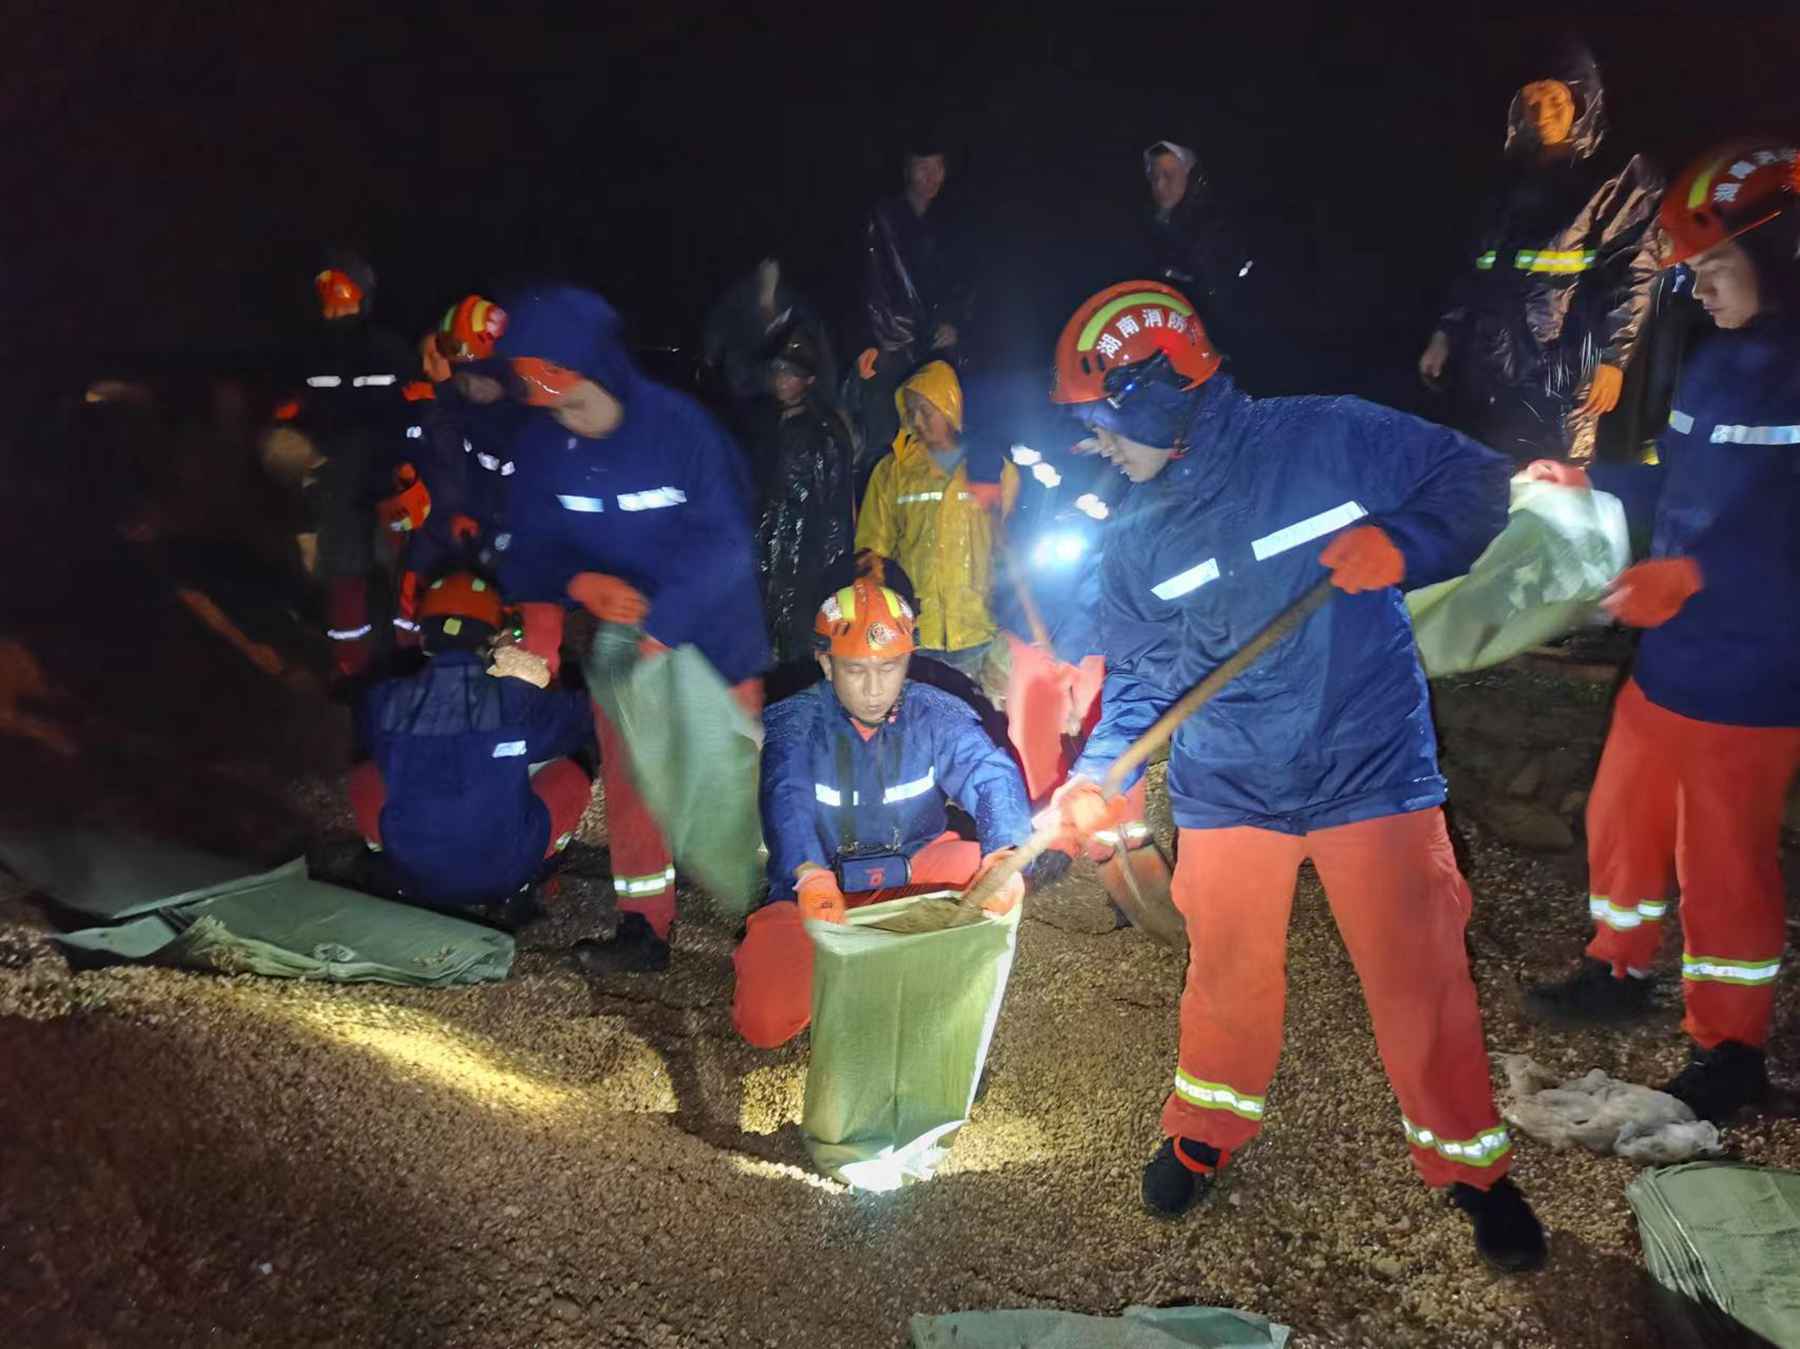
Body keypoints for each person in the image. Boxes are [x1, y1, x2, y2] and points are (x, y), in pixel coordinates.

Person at [1046, 279, 1543, 1271]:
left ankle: (1470, 1165)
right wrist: (1105, 769)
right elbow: (1146, 681)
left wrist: (1407, 540)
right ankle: (1207, 1126)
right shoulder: (1135, 540)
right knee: (1225, 972)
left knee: (1419, 973)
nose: (1096, 444)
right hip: (1233, 782)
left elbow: (1478, 481)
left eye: (1103, 420)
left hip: (1370, 765)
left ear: (1157, 394)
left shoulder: (1327, 439)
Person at [1522, 141, 1800, 1123]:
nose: (1701, 289)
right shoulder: (1719, 360)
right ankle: (1616, 963)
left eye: (1716, 270)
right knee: (1621, 818)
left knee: (1725, 862)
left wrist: (1696, 575)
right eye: (1693, 273)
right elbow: (1680, 482)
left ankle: (1730, 1047)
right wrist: (1593, 479)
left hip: (1757, 676)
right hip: (1673, 657)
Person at [490, 285, 770, 971]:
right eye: (553, 405)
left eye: (577, 401)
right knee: (634, 776)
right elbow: (529, 545)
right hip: (622, 643)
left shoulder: (682, 431)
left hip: (714, 635)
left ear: (606, 372)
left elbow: (728, 545)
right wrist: (572, 591)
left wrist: (662, 625)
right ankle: (644, 924)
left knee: (730, 777)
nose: (568, 419)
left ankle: (769, 914)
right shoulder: (543, 446)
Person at [732, 576, 1032, 1048]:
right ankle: (839, 984)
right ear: (826, 664)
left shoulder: (937, 714)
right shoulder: (796, 720)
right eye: (855, 671)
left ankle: (940, 1001)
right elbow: (784, 792)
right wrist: (807, 872)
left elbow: (990, 774)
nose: (874, 689)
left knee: (991, 875)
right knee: (764, 1021)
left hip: (912, 865)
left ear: (908, 660)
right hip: (819, 884)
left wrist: (1006, 851)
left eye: (889, 668)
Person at [1418, 41, 1662, 463]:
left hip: (1566, 366)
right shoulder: (1506, 176)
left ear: (1583, 102)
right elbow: (1478, 264)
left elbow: (1635, 268)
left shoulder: (1619, 174)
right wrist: (1444, 334)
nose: (1542, 112)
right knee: (1486, 475)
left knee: (1557, 481)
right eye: (1531, 100)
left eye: (1555, 98)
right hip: (1491, 361)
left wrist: (1613, 358)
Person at [350, 571, 594, 914]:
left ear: (424, 638)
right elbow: (581, 722)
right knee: (573, 772)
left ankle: (380, 853)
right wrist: (538, 680)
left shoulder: (385, 699)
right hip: (506, 871)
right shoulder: (513, 700)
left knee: (365, 776)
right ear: (492, 639)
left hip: (413, 871)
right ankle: (540, 869)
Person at [269, 252, 417, 686]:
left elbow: (412, 409)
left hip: (388, 475)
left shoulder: (389, 349)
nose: (337, 304)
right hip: (336, 479)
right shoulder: (308, 353)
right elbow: (293, 412)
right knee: (343, 572)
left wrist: (409, 467)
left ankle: (411, 661)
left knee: (400, 568)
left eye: (345, 294)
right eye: (329, 295)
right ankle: (352, 665)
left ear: (364, 296)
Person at [854, 360, 1018, 680]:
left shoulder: (992, 468)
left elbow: (1010, 544)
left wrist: (1008, 612)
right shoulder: (892, 472)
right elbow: (872, 545)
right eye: (910, 412)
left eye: (925, 411)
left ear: (949, 407)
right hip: (916, 631)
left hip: (979, 628)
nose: (916, 421)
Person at [747, 325, 860, 670]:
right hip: (765, 566)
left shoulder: (824, 433)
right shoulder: (763, 424)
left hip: (805, 573)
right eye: (779, 371)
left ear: (809, 380)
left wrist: (834, 584)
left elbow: (836, 517)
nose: (783, 380)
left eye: (792, 373)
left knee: (800, 657)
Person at [851, 138, 961, 456]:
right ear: (907, 170)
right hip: (889, 348)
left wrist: (954, 322)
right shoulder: (881, 219)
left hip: (936, 349)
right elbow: (865, 284)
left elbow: (965, 283)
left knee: (940, 434)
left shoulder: (953, 220)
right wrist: (867, 339)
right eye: (923, 167)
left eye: (938, 167)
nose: (931, 177)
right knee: (887, 438)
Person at [1138, 140, 1254, 353]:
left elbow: (1222, 296)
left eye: (1169, 176)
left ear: (1189, 176)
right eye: (1154, 177)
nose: (1160, 185)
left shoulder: (1216, 225)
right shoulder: (1146, 227)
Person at [702, 258, 838, 435]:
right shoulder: (739, 303)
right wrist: (711, 355)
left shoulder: (800, 311)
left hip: (799, 390)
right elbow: (718, 328)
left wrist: (833, 408)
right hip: (750, 389)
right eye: (763, 272)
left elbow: (825, 359)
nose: (768, 275)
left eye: (773, 271)